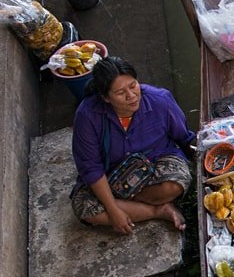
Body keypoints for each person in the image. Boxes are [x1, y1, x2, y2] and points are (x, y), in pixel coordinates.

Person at [70, 56, 195, 234]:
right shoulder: (88, 115)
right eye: (121, 93)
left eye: (133, 85)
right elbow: (90, 167)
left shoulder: (160, 100)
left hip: (156, 161)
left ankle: (130, 203)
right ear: (105, 97)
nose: (131, 96)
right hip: (113, 173)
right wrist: (113, 211)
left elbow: (183, 137)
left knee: (174, 185)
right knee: (85, 208)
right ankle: (158, 210)